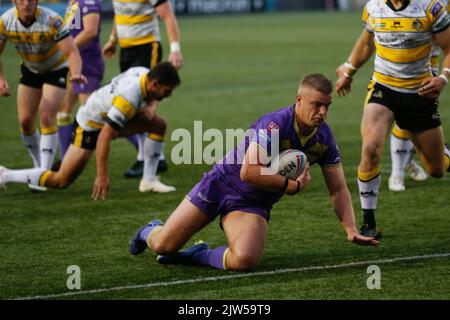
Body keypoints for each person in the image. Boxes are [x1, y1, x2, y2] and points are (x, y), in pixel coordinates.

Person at [129, 74, 379, 271]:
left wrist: (350, 228)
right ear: (299, 100)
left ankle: (197, 254)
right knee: (163, 245)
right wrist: (291, 187)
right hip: (221, 184)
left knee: (245, 260)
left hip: (252, 202)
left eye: (327, 106)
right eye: (317, 105)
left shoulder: (324, 138)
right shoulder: (275, 124)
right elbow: (249, 172)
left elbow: (338, 188)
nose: (323, 112)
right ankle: (147, 230)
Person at [336, 0, 450, 238]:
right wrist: (349, 70)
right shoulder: (374, 7)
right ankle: (368, 221)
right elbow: (367, 42)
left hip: (419, 92)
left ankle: (444, 152)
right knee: (370, 149)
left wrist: (443, 78)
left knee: (436, 169)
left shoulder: (431, 8)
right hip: (383, 88)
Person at [0, 62, 181, 198]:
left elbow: (144, 95)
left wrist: (150, 104)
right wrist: (102, 176)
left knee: (158, 124)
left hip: (105, 116)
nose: (169, 95)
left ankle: (148, 180)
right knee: (61, 180)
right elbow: (104, 137)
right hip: (90, 127)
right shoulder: (128, 99)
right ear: (155, 84)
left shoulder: (143, 72)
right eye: (167, 91)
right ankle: (6, 175)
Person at [0, 0, 86, 173]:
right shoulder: (5, 21)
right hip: (31, 70)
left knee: (46, 115)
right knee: (25, 122)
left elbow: (72, 52)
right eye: (22, 0)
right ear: (14, 2)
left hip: (56, 69)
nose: (26, 4)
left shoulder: (52, 20)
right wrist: (0, 78)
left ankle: (44, 173)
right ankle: (38, 165)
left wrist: (75, 73)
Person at [102, 0, 183, 178]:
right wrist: (113, 39)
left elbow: (168, 15)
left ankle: (145, 158)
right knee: (134, 103)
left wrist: (175, 49)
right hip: (126, 49)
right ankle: (156, 158)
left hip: (147, 47)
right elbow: (120, 14)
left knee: (145, 104)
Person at [55, 0, 105, 163]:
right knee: (64, 108)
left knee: (95, 115)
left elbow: (90, 31)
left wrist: (67, 48)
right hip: (74, 65)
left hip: (87, 66)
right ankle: (64, 159)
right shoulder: (73, 3)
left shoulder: (88, 2)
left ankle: (141, 147)